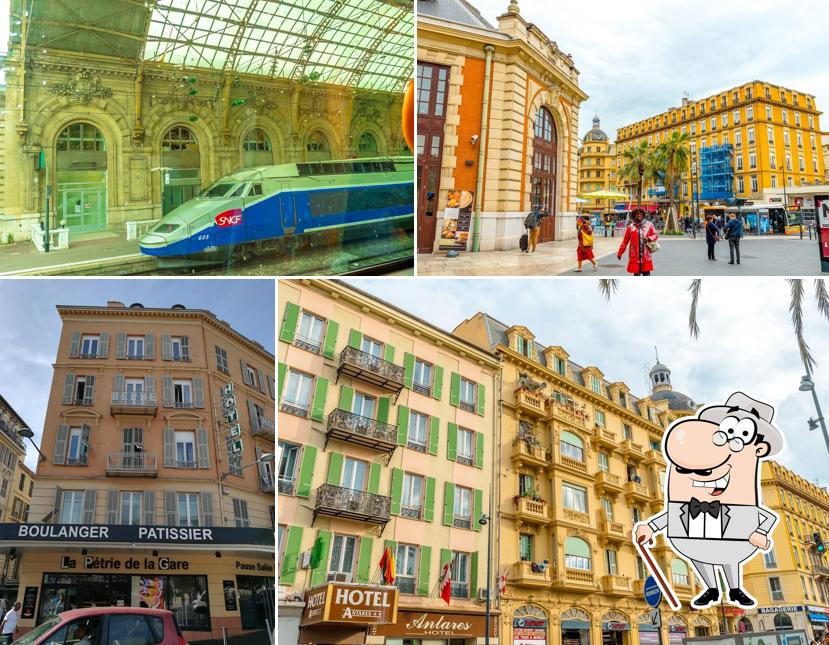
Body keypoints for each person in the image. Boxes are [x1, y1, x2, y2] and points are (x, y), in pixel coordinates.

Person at [635, 392, 783, 608]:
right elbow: (671, 515)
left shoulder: (741, 493)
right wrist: (649, 526)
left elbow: (766, 516)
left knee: (729, 555)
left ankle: (734, 588)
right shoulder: (690, 486)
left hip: (729, 534)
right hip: (694, 534)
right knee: (699, 553)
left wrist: (760, 533)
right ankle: (712, 588)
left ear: (759, 449)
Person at [617, 208, 658, 276]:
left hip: (645, 255)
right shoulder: (630, 227)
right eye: (637, 214)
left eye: (641, 214)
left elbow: (655, 235)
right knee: (636, 275)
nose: (639, 215)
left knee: (647, 274)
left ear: (643, 215)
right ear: (634, 216)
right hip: (634, 257)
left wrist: (649, 239)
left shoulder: (649, 224)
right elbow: (625, 241)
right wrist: (620, 253)